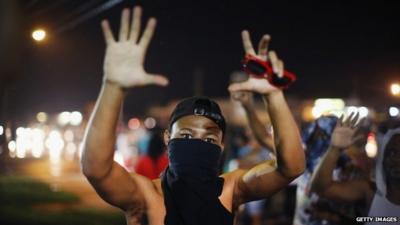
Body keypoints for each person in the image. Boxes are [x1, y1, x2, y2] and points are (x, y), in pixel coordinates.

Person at [81, 6, 305, 225]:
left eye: (209, 139)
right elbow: (96, 169)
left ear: (222, 145)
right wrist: (112, 86)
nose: (198, 143)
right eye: (186, 135)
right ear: (168, 137)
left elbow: (291, 168)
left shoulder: (231, 189)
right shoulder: (146, 195)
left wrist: (274, 96)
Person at [310, 114, 400, 224]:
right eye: (392, 152)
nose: (397, 159)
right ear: (383, 159)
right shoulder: (370, 190)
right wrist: (335, 149)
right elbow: (321, 189)